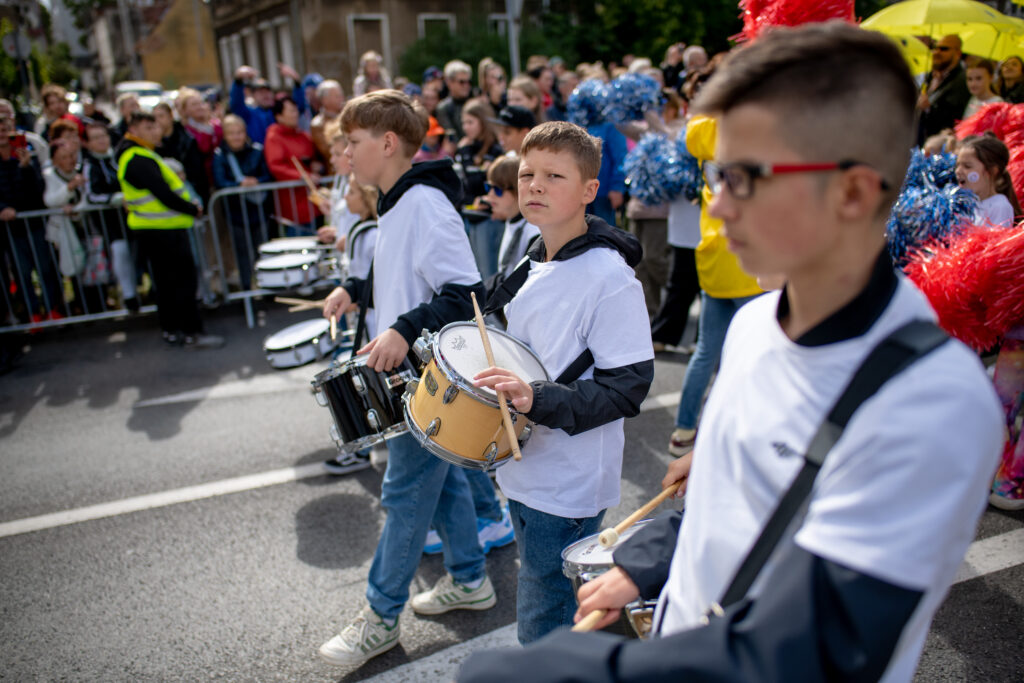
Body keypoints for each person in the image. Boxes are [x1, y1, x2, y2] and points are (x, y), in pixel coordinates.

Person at [457, 22, 1005, 683]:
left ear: (855, 192)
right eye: (716, 176)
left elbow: (820, 644)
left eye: (748, 177)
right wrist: (654, 552)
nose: (720, 208)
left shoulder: (931, 403)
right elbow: (733, 502)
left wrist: (577, 669)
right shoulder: (754, 324)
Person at [316, 90, 495, 668]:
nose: (345, 151)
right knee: (437, 487)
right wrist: (358, 290)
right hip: (412, 378)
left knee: (404, 492)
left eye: (353, 141)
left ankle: (381, 615)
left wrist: (401, 328)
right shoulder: (395, 203)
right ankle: (470, 579)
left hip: (426, 380)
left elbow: (463, 293)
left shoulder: (423, 203)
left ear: (387, 143)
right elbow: (404, 277)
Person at [470, 121, 653, 644]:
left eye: (554, 175)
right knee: (559, 609)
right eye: (528, 174)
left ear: (590, 191)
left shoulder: (609, 277)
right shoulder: (533, 255)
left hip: (568, 481)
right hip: (524, 466)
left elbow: (628, 387)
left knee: (542, 616)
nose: (534, 186)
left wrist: (537, 398)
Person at [667, 113, 762, 456]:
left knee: (707, 350)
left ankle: (684, 430)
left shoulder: (703, 130)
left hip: (711, 251)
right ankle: (738, 429)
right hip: (747, 255)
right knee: (751, 352)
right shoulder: (754, 131)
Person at [115, 111, 223, 349]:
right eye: (148, 127)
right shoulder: (136, 157)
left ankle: (174, 330)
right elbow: (164, 193)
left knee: (167, 283)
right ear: (133, 129)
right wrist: (191, 208)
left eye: (156, 127)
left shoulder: (141, 154)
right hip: (162, 231)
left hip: (161, 230)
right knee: (180, 283)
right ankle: (190, 332)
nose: (155, 132)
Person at [0, 114, 64, 321]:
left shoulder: (29, 152)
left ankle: (53, 308)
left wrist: (26, 166)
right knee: (22, 272)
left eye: (5, 128)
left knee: (45, 267)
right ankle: (33, 313)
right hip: (10, 230)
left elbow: (38, 191)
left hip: (35, 223)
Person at [212, 114, 272, 290]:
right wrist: (238, 184)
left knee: (262, 249)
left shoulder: (256, 151)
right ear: (225, 135)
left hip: (258, 210)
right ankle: (246, 286)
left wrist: (256, 181)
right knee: (242, 252)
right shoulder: (221, 155)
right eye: (231, 133)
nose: (236, 137)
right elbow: (220, 181)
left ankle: (265, 285)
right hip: (235, 213)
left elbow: (267, 175)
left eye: (239, 132)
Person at [81, 121, 136, 311]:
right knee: (121, 254)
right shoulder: (90, 165)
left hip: (134, 216)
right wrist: (117, 198)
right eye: (95, 138)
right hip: (110, 222)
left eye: (103, 136)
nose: (101, 141)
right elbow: (91, 196)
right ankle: (129, 295)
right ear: (87, 143)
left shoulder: (120, 157)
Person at [263, 96, 322, 236]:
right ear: (279, 116)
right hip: (293, 204)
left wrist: (316, 166)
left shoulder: (303, 135)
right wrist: (301, 176)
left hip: (312, 201)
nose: (295, 114)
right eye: (290, 111)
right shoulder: (274, 137)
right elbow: (276, 166)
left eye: (295, 110)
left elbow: (313, 157)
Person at [956, 133, 1021, 228]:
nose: (958, 171)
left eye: (967, 166)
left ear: (992, 171)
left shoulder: (1000, 206)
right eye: (957, 165)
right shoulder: (968, 205)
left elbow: (994, 241)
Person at [917, 34, 970, 145]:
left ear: (958, 53)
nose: (937, 52)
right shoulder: (930, 76)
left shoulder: (963, 80)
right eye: (934, 48)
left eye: (944, 49)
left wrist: (928, 108)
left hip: (942, 145)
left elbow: (954, 116)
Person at [153, 102, 209, 204]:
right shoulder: (153, 144)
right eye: (154, 117)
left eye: (161, 116)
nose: (158, 120)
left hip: (188, 189)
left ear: (171, 116)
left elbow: (197, 170)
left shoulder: (187, 139)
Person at [229, 66, 277, 144]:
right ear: (253, 95)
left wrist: (297, 83)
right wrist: (238, 81)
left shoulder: (278, 112)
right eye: (261, 92)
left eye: (267, 91)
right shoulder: (249, 114)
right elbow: (236, 104)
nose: (265, 95)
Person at [436, 60, 474, 144]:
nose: (466, 86)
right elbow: (451, 137)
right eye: (461, 82)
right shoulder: (443, 108)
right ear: (449, 82)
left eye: (469, 82)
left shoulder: (474, 102)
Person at [310, 79, 345, 160]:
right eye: (337, 96)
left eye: (341, 95)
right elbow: (328, 151)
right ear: (324, 100)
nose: (341, 99)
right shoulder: (317, 124)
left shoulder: (347, 115)